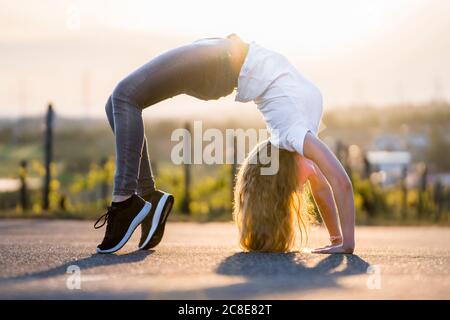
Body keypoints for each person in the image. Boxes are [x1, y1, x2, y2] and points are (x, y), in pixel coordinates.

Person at [95, 33, 355, 254]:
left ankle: (125, 200)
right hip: (223, 58)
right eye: (299, 185)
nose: (306, 183)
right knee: (115, 105)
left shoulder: (291, 133)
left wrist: (348, 244)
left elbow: (340, 183)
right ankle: (148, 197)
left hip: (220, 62)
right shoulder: (302, 135)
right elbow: (326, 187)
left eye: (297, 188)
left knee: (124, 98)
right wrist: (337, 240)